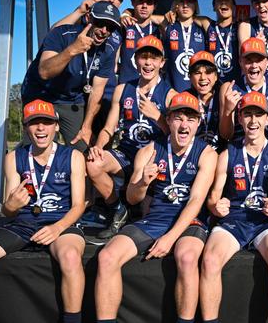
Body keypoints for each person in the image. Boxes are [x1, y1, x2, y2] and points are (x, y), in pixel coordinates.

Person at [94, 92, 217, 323]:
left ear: (198, 123)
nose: (184, 125)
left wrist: (170, 238)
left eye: (190, 119)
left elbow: (196, 201)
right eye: (178, 118)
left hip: (189, 221)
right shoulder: (149, 151)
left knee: (188, 257)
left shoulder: (207, 154)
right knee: (107, 257)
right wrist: (142, 183)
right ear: (168, 120)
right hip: (154, 219)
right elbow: (132, 199)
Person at [0, 100, 86, 323]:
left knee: (71, 257)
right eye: (35, 123)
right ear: (26, 127)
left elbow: (78, 205)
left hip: (62, 223)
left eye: (47, 122)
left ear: (56, 126)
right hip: (23, 225)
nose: (41, 128)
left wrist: (58, 228)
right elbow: (8, 211)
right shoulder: (14, 158)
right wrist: (11, 206)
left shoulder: (73, 156)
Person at [200, 91, 268, 323]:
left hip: (264, 222)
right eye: (247, 114)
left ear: (267, 119)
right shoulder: (228, 153)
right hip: (234, 221)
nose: (253, 121)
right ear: (239, 119)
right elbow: (213, 199)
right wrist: (215, 206)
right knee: (209, 260)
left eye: (258, 115)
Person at [86, 36, 175, 238]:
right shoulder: (122, 89)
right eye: (143, 57)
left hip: (153, 158)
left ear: (162, 62)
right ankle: (118, 208)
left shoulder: (170, 95)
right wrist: (99, 146)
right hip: (126, 152)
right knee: (93, 163)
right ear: (136, 60)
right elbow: (109, 127)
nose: (148, 63)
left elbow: (177, 137)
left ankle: (140, 210)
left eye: (153, 58)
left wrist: (158, 117)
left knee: (146, 215)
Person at [21, 1, 121, 151]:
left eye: (111, 27)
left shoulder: (109, 49)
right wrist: (72, 50)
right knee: (38, 149)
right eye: (100, 23)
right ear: (89, 18)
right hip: (41, 95)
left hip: (71, 100)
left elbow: (97, 91)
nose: (104, 30)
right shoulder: (61, 34)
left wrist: (86, 127)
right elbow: (44, 71)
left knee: (83, 148)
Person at [219, 38, 268, 144]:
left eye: (259, 60)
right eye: (249, 60)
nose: (254, 65)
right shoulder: (229, 89)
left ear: (267, 62)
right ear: (240, 62)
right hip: (239, 153)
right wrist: (228, 111)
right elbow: (226, 135)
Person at [162, 0, 207, 92]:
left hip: (198, 90)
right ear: (175, 5)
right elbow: (147, 17)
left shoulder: (203, 28)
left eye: (190, 2)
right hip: (172, 90)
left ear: (195, 5)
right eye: (181, 1)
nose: (185, 5)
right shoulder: (168, 25)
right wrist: (127, 13)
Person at [116, 0, 160, 84]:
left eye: (149, 2)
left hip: (153, 89)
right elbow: (113, 63)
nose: (144, 6)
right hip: (126, 88)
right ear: (132, 2)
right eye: (140, 1)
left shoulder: (160, 29)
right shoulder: (124, 26)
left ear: (155, 5)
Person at [186, 50, 222, 150]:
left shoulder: (223, 96)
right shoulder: (185, 98)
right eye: (197, 73)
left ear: (216, 76)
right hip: (193, 155)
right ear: (190, 77)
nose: (203, 77)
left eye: (208, 72)